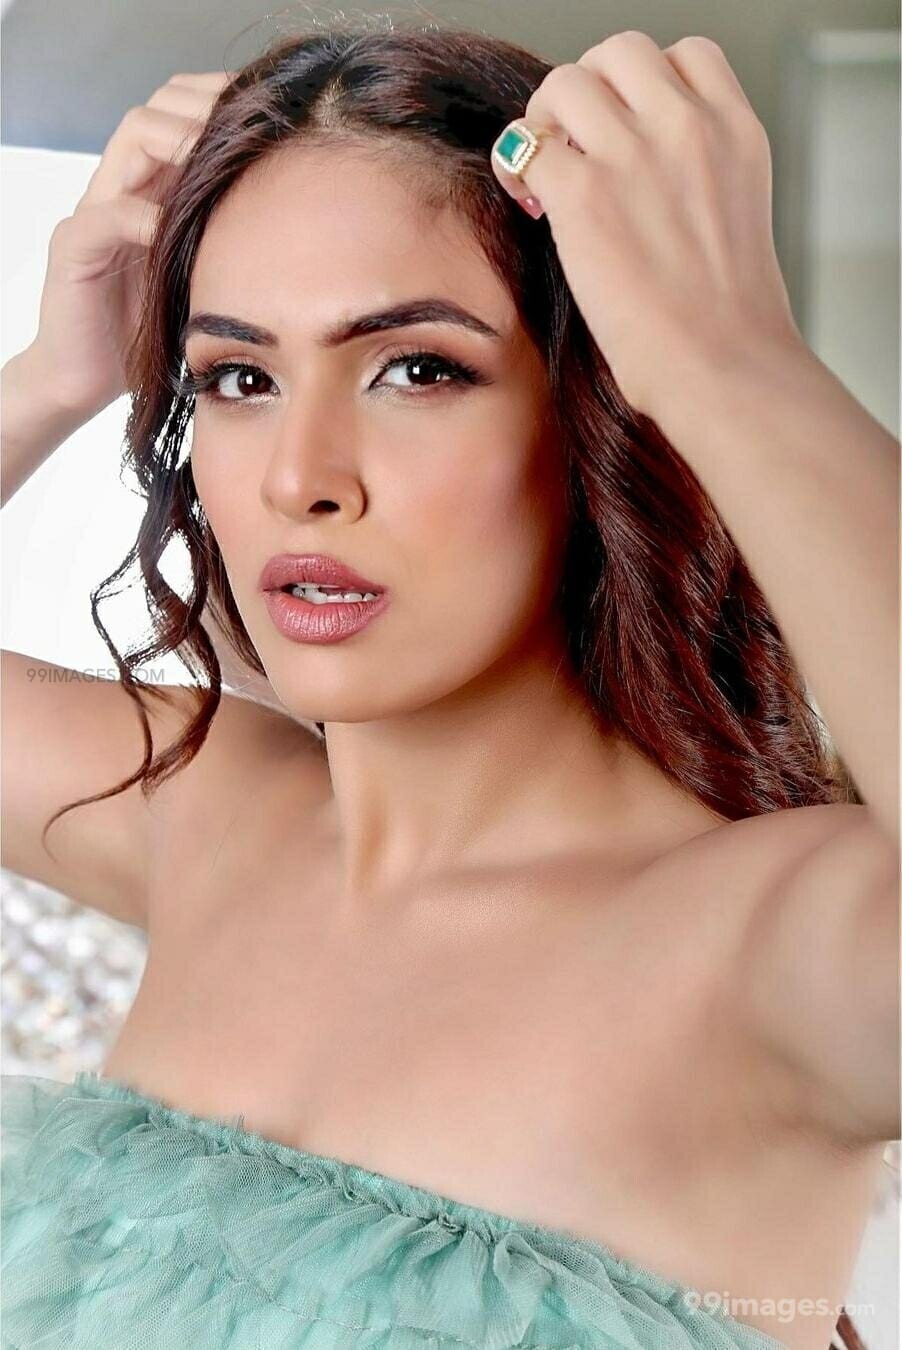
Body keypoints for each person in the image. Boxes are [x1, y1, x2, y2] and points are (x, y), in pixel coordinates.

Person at [1, 19, 898, 1350]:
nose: (300, 476)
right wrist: (51, 373)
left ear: (596, 408)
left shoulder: (772, 948)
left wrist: (730, 356)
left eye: (417, 369)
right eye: (239, 377)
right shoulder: (205, 812)